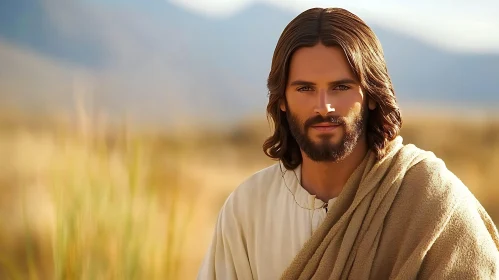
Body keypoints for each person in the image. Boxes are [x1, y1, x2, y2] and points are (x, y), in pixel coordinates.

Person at [197, 7, 499, 280]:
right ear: (283, 100)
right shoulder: (249, 207)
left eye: (341, 87)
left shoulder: (430, 196)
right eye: (305, 88)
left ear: (370, 95)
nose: (323, 107)